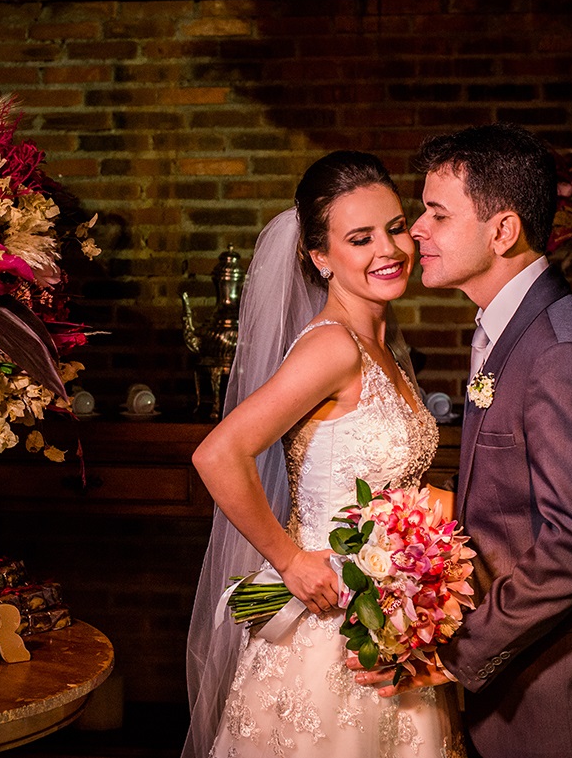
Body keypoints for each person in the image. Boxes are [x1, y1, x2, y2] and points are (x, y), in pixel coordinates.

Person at [350, 123, 572, 758]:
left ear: (502, 230)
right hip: (522, 692)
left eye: (437, 214)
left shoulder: (561, 351)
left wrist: (457, 653)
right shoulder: (505, 328)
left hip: (565, 705)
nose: (416, 233)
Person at [182, 151, 465, 758]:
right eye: (359, 239)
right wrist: (289, 559)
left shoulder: (385, 345)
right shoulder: (332, 348)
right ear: (319, 257)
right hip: (326, 634)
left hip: (386, 629)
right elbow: (218, 454)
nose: (387, 250)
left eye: (394, 227)